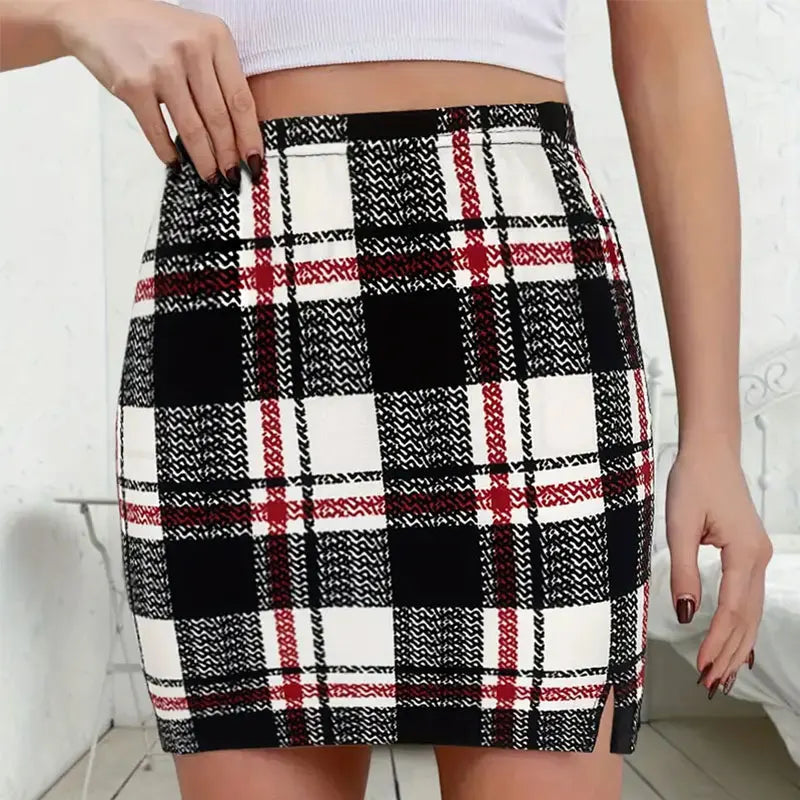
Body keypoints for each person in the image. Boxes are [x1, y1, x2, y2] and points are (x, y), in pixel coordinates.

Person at [2, 2, 773, 799]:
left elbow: (669, 59)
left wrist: (713, 435)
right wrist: (74, 15)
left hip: (513, 294)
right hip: (241, 287)